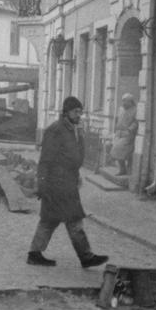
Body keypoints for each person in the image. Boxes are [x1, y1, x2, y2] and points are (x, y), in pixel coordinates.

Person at [27, 95, 107, 269]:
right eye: (76, 111)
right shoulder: (56, 130)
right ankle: (86, 257)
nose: (79, 115)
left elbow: (73, 157)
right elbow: (45, 160)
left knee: (51, 220)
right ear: (66, 112)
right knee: (72, 220)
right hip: (57, 185)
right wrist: (42, 184)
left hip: (67, 183)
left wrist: (76, 174)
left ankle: (35, 253)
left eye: (81, 111)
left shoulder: (74, 130)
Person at [110, 93, 138, 176]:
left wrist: (129, 130)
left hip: (128, 135)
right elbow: (118, 120)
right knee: (114, 149)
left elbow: (136, 123)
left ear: (131, 102)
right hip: (119, 134)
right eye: (123, 101)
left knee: (117, 149)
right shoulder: (121, 109)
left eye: (126, 101)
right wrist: (116, 129)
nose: (123, 103)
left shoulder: (135, 110)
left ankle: (125, 169)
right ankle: (122, 169)